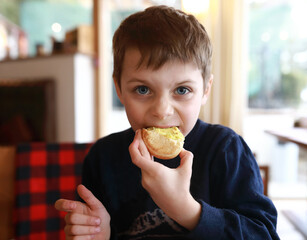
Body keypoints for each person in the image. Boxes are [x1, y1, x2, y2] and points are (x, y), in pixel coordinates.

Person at [55, 5, 280, 240]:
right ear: (119, 89)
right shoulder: (102, 158)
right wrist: (99, 234)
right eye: (142, 89)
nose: (162, 111)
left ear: (205, 90)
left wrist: (186, 209)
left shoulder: (226, 149)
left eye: (182, 90)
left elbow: (264, 234)